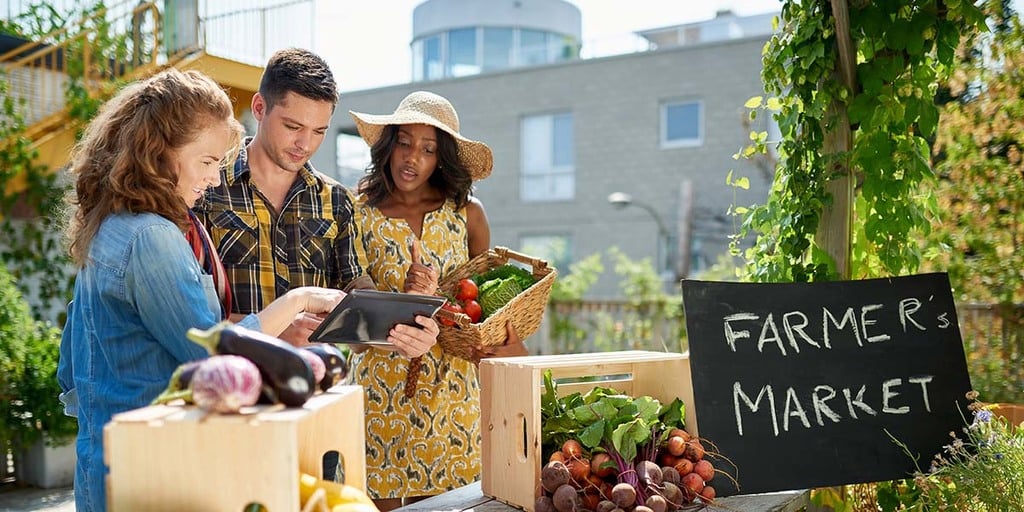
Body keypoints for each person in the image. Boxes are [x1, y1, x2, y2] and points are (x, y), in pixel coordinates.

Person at [56, 69, 347, 512]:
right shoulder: (150, 238)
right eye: (207, 162)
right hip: (153, 471)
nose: (214, 179)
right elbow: (214, 354)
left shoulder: (112, 228)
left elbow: (72, 368)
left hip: (112, 460)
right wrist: (298, 300)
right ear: (159, 153)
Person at [347, 90, 528, 510]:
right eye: (405, 142)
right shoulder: (358, 212)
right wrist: (407, 300)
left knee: (456, 502)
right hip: (381, 392)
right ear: (389, 145)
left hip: (453, 395)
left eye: (428, 149)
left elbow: (482, 303)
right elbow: (355, 307)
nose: (413, 158)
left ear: (441, 157)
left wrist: (438, 299)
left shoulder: (468, 214)